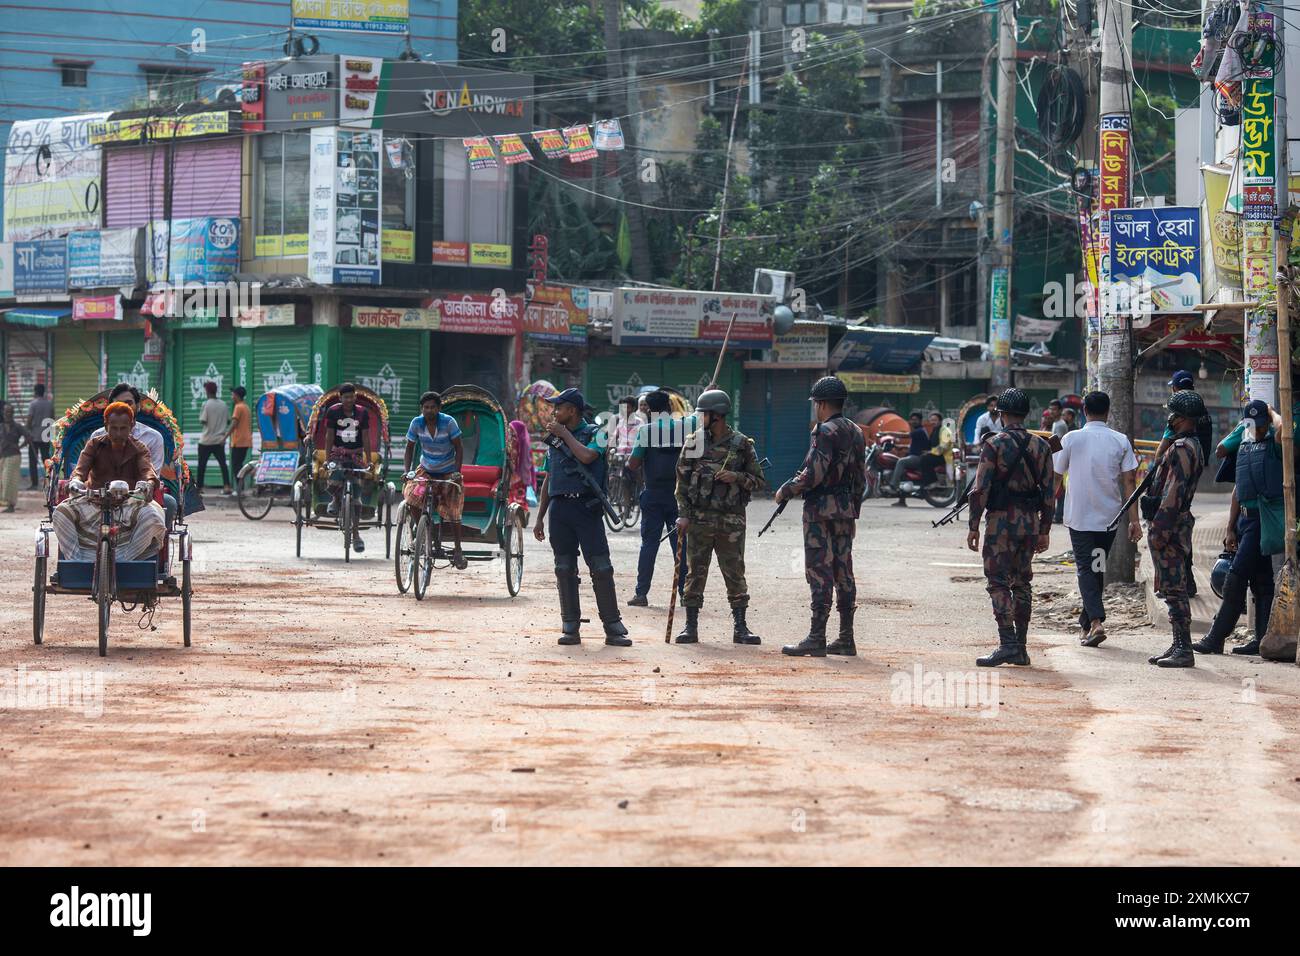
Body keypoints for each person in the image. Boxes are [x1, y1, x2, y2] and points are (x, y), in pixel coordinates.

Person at [532, 388, 631, 647]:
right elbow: (548, 479)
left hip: (586, 509)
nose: (554, 412)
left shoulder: (597, 433)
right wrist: (540, 517)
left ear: (572, 411)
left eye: (559, 408)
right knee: (564, 569)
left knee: (601, 568)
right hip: (560, 510)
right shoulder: (553, 440)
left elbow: (588, 456)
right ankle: (570, 626)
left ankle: (612, 625)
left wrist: (564, 435)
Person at [966, 388, 1055, 667]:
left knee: (998, 580)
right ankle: (1022, 647)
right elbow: (1051, 493)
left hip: (1001, 520)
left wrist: (973, 526)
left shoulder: (994, 445)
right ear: (1026, 414)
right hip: (1030, 521)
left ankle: (1007, 644)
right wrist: (1045, 530)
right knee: (1023, 582)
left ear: (1001, 414)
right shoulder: (1041, 446)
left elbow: (980, 489)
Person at [779, 376, 867, 657]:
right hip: (845, 510)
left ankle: (817, 637)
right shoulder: (856, 431)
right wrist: (854, 513)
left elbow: (814, 473)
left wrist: (786, 490)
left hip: (820, 512)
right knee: (844, 571)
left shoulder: (824, 431)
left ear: (821, 403)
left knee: (819, 571)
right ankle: (846, 638)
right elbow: (860, 479)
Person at [673, 389, 766, 645]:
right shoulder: (693, 443)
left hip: (731, 521)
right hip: (699, 520)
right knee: (695, 574)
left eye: (703, 413)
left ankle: (741, 627)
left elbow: (759, 481)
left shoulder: (741, 445)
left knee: (734, 572)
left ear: (717, 415)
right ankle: (690, 627)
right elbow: (681, 483)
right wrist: (683, 515)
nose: (700, 417)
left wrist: (735, 477)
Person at [1194, 400, 1284, 657]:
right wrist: (1230, 527)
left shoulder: (1274, 444)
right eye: (1251, 425)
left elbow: (1282, 431)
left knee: (1235, 577)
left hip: (1263, 519)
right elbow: (1233, 479)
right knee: (1261, 581)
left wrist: (1271, 413)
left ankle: (1216, 637)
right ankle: (1262, 640)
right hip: (1245, 520)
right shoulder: (1244, 443)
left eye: (1260, 424)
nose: (1256, 429)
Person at [1052, 391, 1141, 648]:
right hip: (1109, 519)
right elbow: (1129, 482)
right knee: (1097, 566)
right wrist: (1134, 520)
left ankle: (1096, 620)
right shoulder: (1120, 440)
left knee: (1085, 568)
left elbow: (1056, 477)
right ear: (1108, 411)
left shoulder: (1071, 438)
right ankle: (1086, 624)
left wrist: (1045, 512)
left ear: (1084, 411)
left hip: (1080, 517)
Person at [52, 402, 165, 562]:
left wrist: (148, 483)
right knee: (61, 513)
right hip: (94, 501)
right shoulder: (94, 445)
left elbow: (147, 471)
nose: (118, 433)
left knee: (152, 516)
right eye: (114, 428)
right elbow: (80, 470)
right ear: (106, 426)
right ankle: (77, 561)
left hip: (129, 503)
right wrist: (76, 481)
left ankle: (125, 558)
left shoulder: (140, 448)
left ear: (131, 426)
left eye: (123, 428)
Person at [1146, 389, 1207, 668]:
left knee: (1174, 587)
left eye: (1173, 415)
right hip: (1174, 522)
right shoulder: (1184, 444)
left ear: (1183, 418)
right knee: (1172, 586)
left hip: (1171, 524)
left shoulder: (1184, 449)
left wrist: (1160, 528)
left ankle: (1184, 648)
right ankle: (1178, 643)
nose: (1169, 419)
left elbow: (1174, 491)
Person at [625, 390, 690, 606]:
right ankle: (684, 594)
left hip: (653, 495)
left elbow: (633, 464)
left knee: (649, 544)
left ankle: (641, 594)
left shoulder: (646, 431)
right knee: (680, 546)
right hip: (678, 496)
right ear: (670, 408)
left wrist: (631, 463)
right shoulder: (684, 429)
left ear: (649, 411)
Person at [1153, 370, 1212, 597]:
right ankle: (1186, 583)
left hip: (1179, 477)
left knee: (1172, 539)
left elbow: (1160, 456)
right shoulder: (1200, 411)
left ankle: (1174, 585)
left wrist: (1159, 524)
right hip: (1195, 472)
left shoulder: (1181, 413)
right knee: (1183, 533)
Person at [88, 384, 174, 529]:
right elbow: (85, 468)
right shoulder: (97, 437)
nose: (123, 408)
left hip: (138, 496)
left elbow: (152, 473)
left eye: (129, 403)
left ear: (138, 407)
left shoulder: (151, 438)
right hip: (101, 496)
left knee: (169, 504)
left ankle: (152, 548)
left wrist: (146, 485)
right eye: (117, 404)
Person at [403, 391, 467, 569]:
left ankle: (458, 549)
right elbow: (409, 449)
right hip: (426, 469)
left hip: (448, 470)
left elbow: (459, 448)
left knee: (454, 509)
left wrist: (457, 472)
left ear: (438, 408)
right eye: (425, 407)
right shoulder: (416, 423)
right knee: (411, 496)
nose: (428, 410)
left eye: (432, 407)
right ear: (422, 409)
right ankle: (422, 532)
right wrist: (408, 471)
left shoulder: (448, 422)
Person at [320, 383, 372, 553]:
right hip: (338, 453)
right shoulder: (333, 411)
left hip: (356, 455)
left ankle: (356, 535)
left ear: (355, 397)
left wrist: (369, 460)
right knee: (335, 474)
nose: (349, 399)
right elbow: (329, 436)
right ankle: (335, 500)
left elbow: (365, 437)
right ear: (340, 398)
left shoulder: (362, 413)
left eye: (351, 396)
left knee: (356, 498)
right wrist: (327, 459)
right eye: (345, 397)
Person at [890, 411, 934, 506]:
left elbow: (904, 435)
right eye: (912, 420)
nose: (913, 422)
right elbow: (914, 446)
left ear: (920, 421)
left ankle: (893, 485)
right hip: (915, 456)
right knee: (902, 472)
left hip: (918, 458)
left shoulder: (919, 431)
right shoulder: (919, 431)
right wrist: (901, 447)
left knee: (901, 462)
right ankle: (901, 500)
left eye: (915, 420)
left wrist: (885, 433)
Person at [197, 380, 232, 495]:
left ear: (207, 391)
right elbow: (228, 421)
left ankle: (199, 487)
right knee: (223, 464)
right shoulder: (224, 404)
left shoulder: (206, 404)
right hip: (219, 440)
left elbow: (203, 420)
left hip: (206, 440)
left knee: (202, 465)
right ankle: (227, 486)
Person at [0, 404, 28, 511]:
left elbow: (29, 437)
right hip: (2, 456)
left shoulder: (17, 426)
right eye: (6, 412)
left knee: (9, 480)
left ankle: (11, 505)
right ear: (3, 413)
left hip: (14, 456)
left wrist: (19, 446)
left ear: (13, 413)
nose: (8, 414)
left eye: (10, 412)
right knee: (2, 481)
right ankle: (5, 503)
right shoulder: (1, 426)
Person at [26, 382, 53, 489]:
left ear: (35, 392)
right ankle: (49, 482)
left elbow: (29, 420)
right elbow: (52, 420)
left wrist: (27, 430)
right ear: (43, 392)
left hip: (34, 437)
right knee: (46, 459)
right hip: (45, 436)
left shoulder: (33, 404)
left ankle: (34, 483)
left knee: (33, 461)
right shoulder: (49, 404)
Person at [227, 386, 253, 480]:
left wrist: (225, 437)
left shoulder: (238, 407)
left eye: (233, 394)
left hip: (239, 441)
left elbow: (234, 424)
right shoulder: (246, 407)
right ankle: (240, 488)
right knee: (239, 465)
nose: (232, 397)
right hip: (246, 441)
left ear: (237, 395)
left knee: (236, 465)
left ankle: (238, 489)